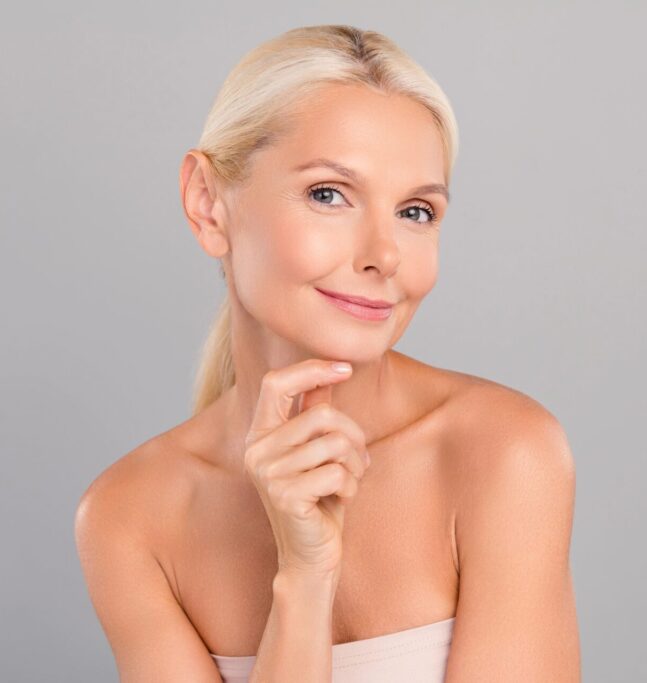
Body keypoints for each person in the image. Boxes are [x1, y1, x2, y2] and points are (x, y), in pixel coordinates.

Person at [74, 24, 580, 682]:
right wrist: (304, 580)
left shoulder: (504, 452)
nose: (384, 254)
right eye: (328, 194)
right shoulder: (131, 516)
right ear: (208, 204)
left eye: (416, 211)